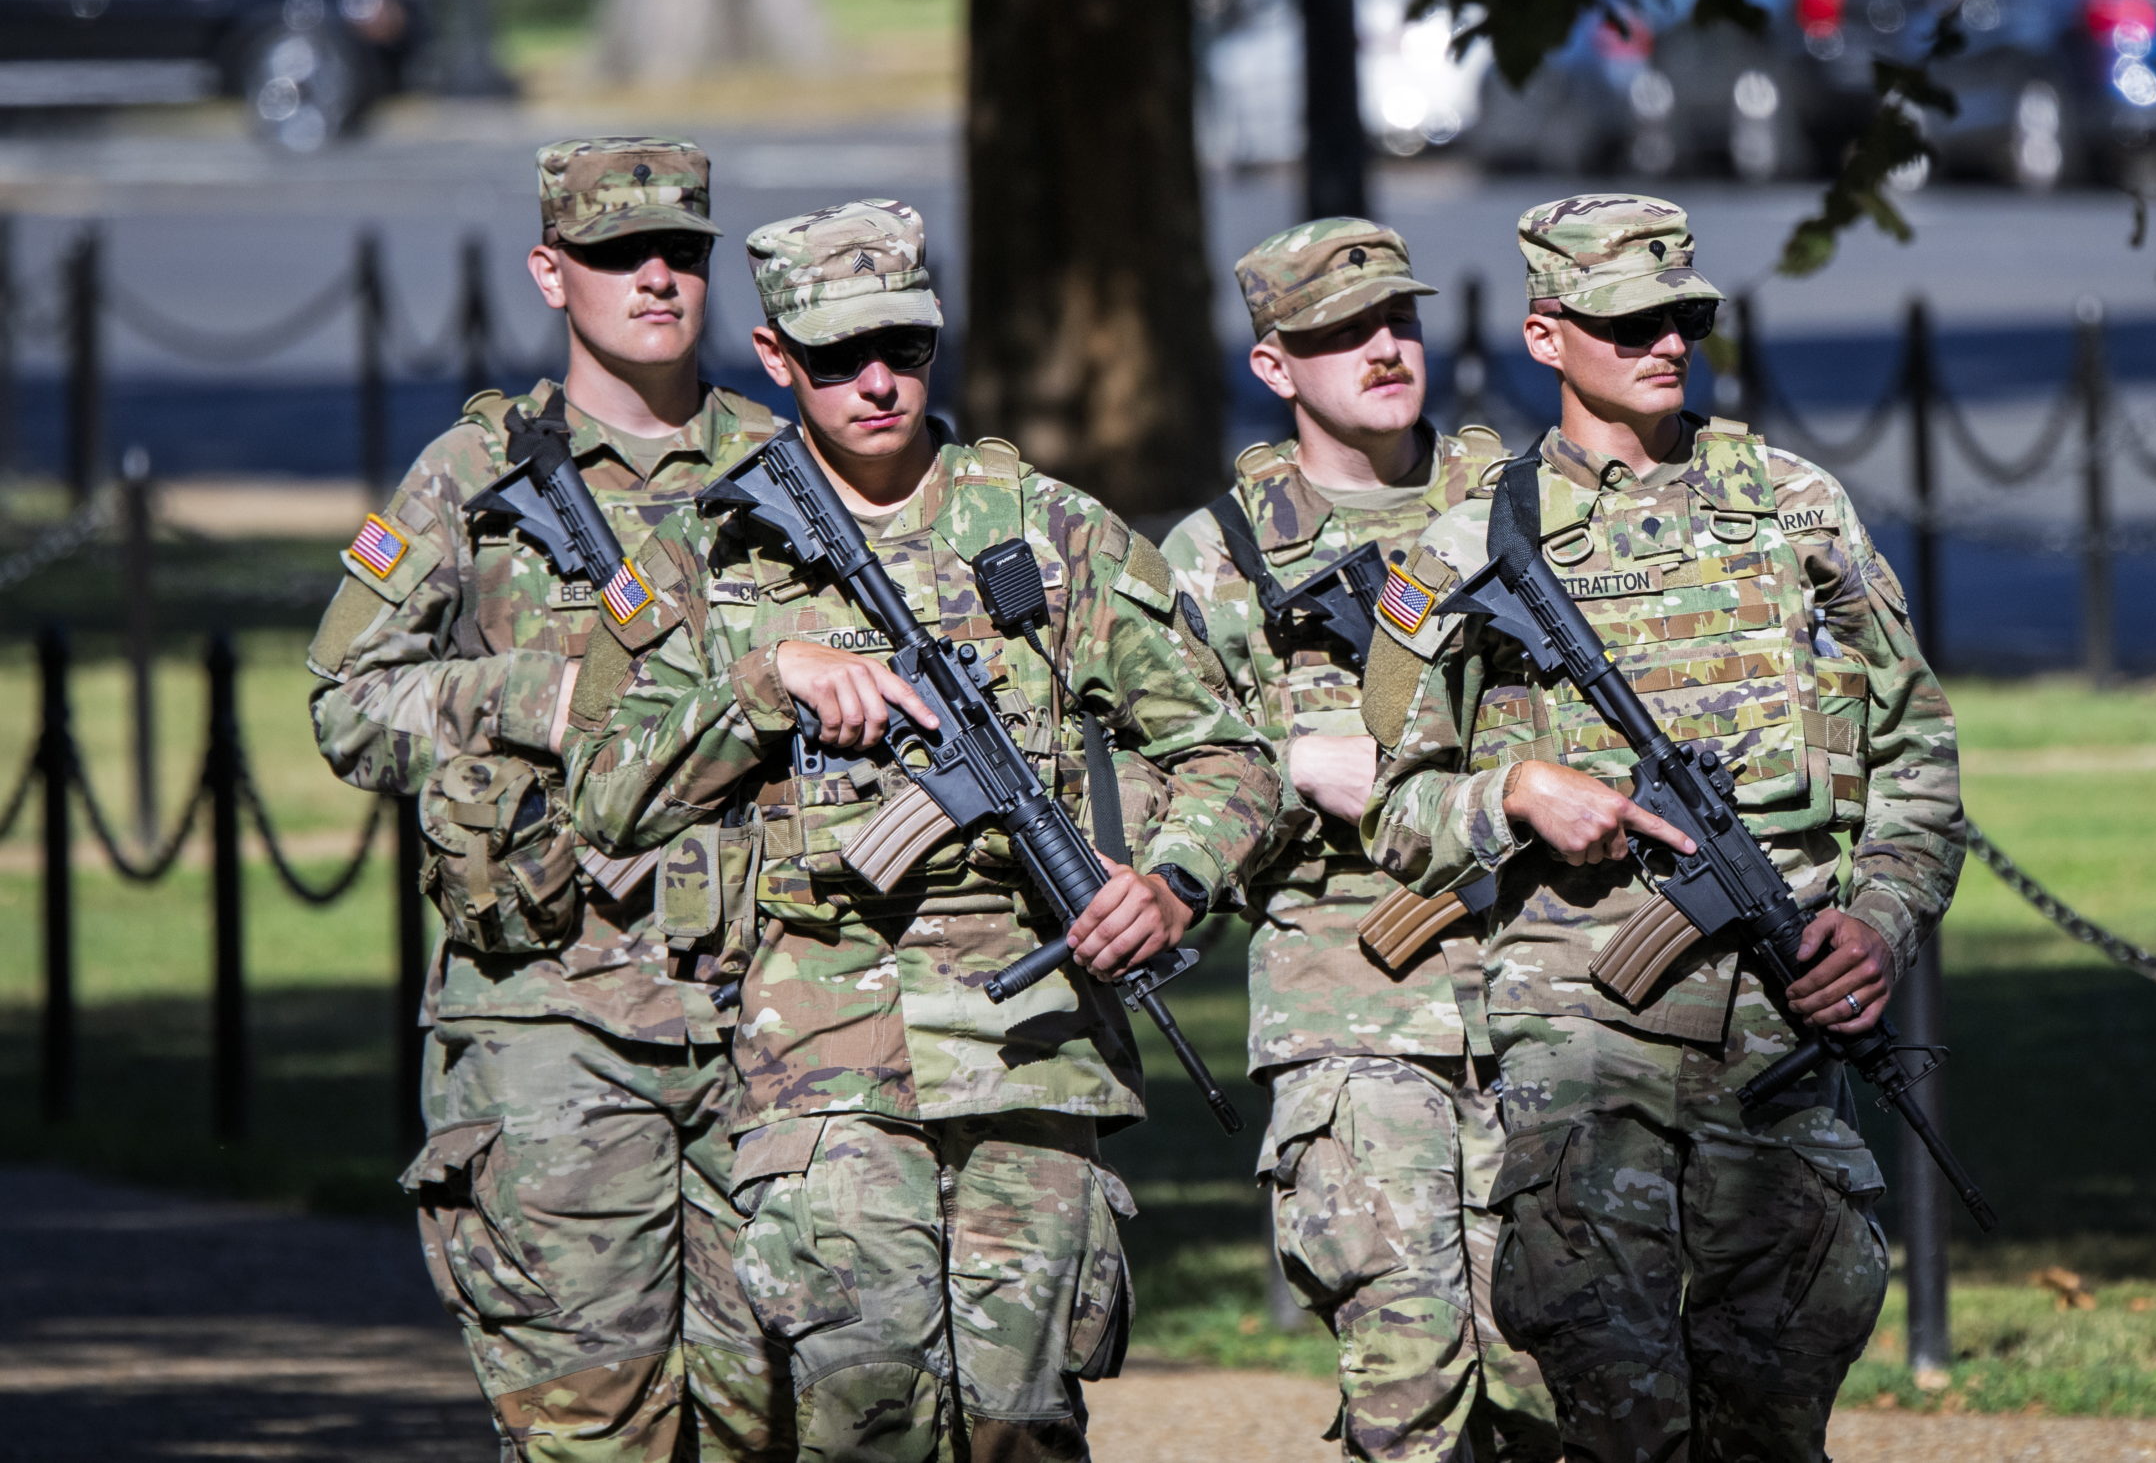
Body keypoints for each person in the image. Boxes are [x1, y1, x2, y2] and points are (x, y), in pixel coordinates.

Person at [565, 199, 1282, 1463]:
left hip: (1032, 1054)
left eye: (905, 345)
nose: (880, 381)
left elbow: (1227, 753)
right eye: (839, 357)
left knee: (1021, 1430)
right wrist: (759, 682)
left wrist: (1170, 882)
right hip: (816, 1058)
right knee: (864, 1421)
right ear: (777, 358)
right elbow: (605, 796)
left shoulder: (1050, 536)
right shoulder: (699, 559)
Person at [1360, 195, 1963, 1463]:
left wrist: (1883, 921)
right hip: (1584, 1053)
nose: (1665, 343)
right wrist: (1511, 794)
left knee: (1774, 1415)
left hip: (1781, 1034)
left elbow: (1916, 749)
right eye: (1628, 320)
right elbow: (1396, 810)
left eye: (1684, 316)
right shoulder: (1469, 545)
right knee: (1620, 1423)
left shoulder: (1795, 509)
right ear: (1545, 333)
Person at [307, 137, 790, 1461]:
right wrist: (547, 694)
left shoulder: (781, 473)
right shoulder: (473, 476)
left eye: (683, 252)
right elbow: (349, 699)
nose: (656, 277)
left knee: (783, 1418)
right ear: (549, 269)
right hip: (550, 1002)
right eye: (618, 252)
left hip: (773, 1007)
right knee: (592, 1424)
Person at [1161, 218, 1555, 1463]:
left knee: (1560, 1376)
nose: (1383, 350)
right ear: (1275, 366)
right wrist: (1284, 767)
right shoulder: (1216, 557)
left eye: (1398, 322)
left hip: (1552, 982)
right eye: (1339, 335)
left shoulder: (1525, 511)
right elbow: (1144, 773)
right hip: (1350, 1001)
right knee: (1410, 1369)